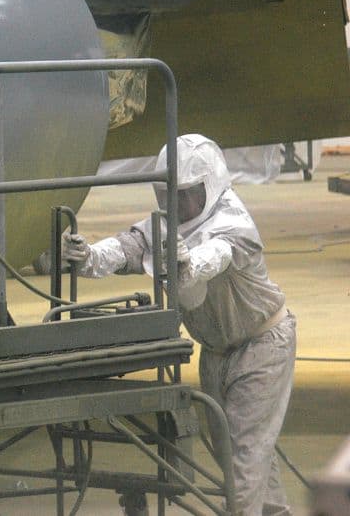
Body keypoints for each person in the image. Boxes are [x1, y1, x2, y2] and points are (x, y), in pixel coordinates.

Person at [62, 134, 296, 516]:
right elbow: (128, 247)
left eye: (186, 194)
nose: (177, 204)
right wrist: (88, 256)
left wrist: (189, 264)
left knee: (246, 455)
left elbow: (216, 254)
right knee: (236, 451)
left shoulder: (233, 222)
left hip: (262, 346)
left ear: (211, 185)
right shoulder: (166, 225)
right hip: (217, 352)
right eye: (168, 193)